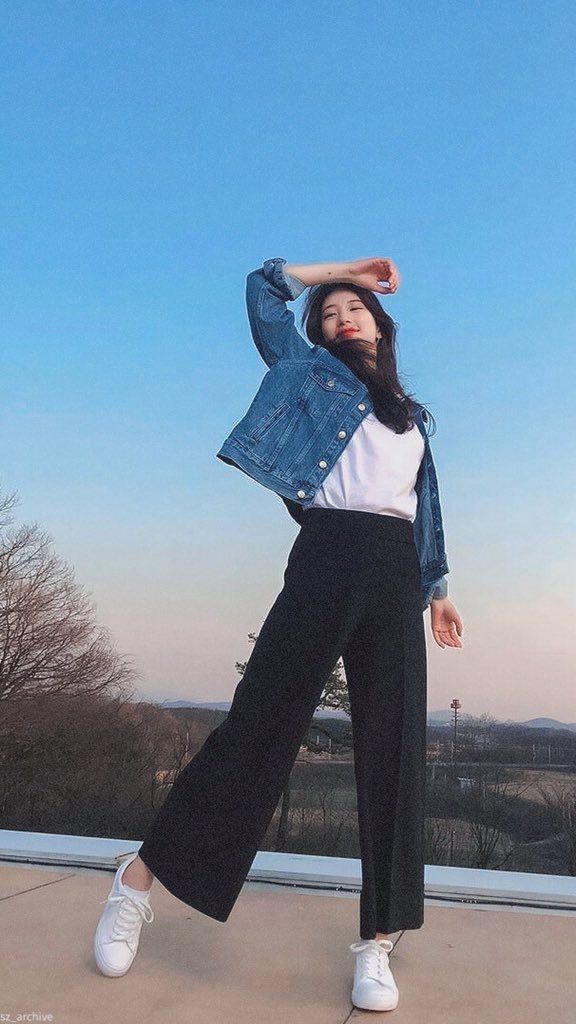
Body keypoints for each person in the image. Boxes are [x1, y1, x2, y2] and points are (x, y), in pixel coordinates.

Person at [93, 255, 463, 1012]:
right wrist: (345, 268)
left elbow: (423, 507)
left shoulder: (413, 415)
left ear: (379, 324)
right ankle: (136, 882)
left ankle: (379, 942)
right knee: (261, 722)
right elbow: (263, 293)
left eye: (353, 306)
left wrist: (439, 590)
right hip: (329, 552)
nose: (341, 318)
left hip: (395, 571)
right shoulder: (309, 375)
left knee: (394, 748)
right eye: (328, 314)